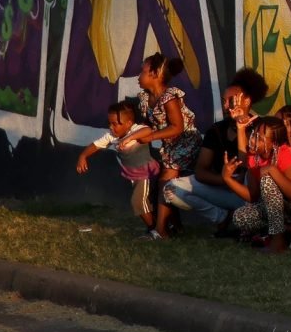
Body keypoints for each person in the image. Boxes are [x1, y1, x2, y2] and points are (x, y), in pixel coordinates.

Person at [164, 67, 267, 231]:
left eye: (231, 100)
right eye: (224, 100)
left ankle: (248, 223)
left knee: (250, 175)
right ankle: (221, 217)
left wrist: (242, 127)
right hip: (223, 188)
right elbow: (201, 171)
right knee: (171, 189)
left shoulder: (262, 127)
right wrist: (225, 179)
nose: (226, 106)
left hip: (249, 194)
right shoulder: (217, 130)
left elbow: (251, 165)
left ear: (246, 101)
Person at [228, 114, 291, 251]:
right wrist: (227, 179)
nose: (253, 140)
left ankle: (278, 242)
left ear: (274, 143)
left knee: (268, 180)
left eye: (259, 138)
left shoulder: (285, 153)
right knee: (241, 217)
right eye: (253, 135)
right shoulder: (254, 157)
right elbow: (252, 195)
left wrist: (272, 169)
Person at [130, 51, 200, 234]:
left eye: (142, 72)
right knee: (165, 184)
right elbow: (148, 125)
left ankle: (161, 231)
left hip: (185, 143)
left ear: (154, 74)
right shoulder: (145, 98)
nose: (139, 76)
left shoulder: (169, 97)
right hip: (169, 147)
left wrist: (151, 137)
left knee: (165, 181)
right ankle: (175, 227)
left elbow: (177, 127)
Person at [75, 99, 163, 237]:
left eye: (115, 124)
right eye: (110, 123)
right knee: (145, 203)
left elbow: (147, 130)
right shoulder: (112, 136)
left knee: (138, 202)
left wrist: (129, 138)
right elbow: (96, 145)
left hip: (147, 174)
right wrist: (83, 156)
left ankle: (156, 231)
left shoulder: (136, 129)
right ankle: (157, 228)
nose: (111, 127)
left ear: (128, 123)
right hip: (134, 176)